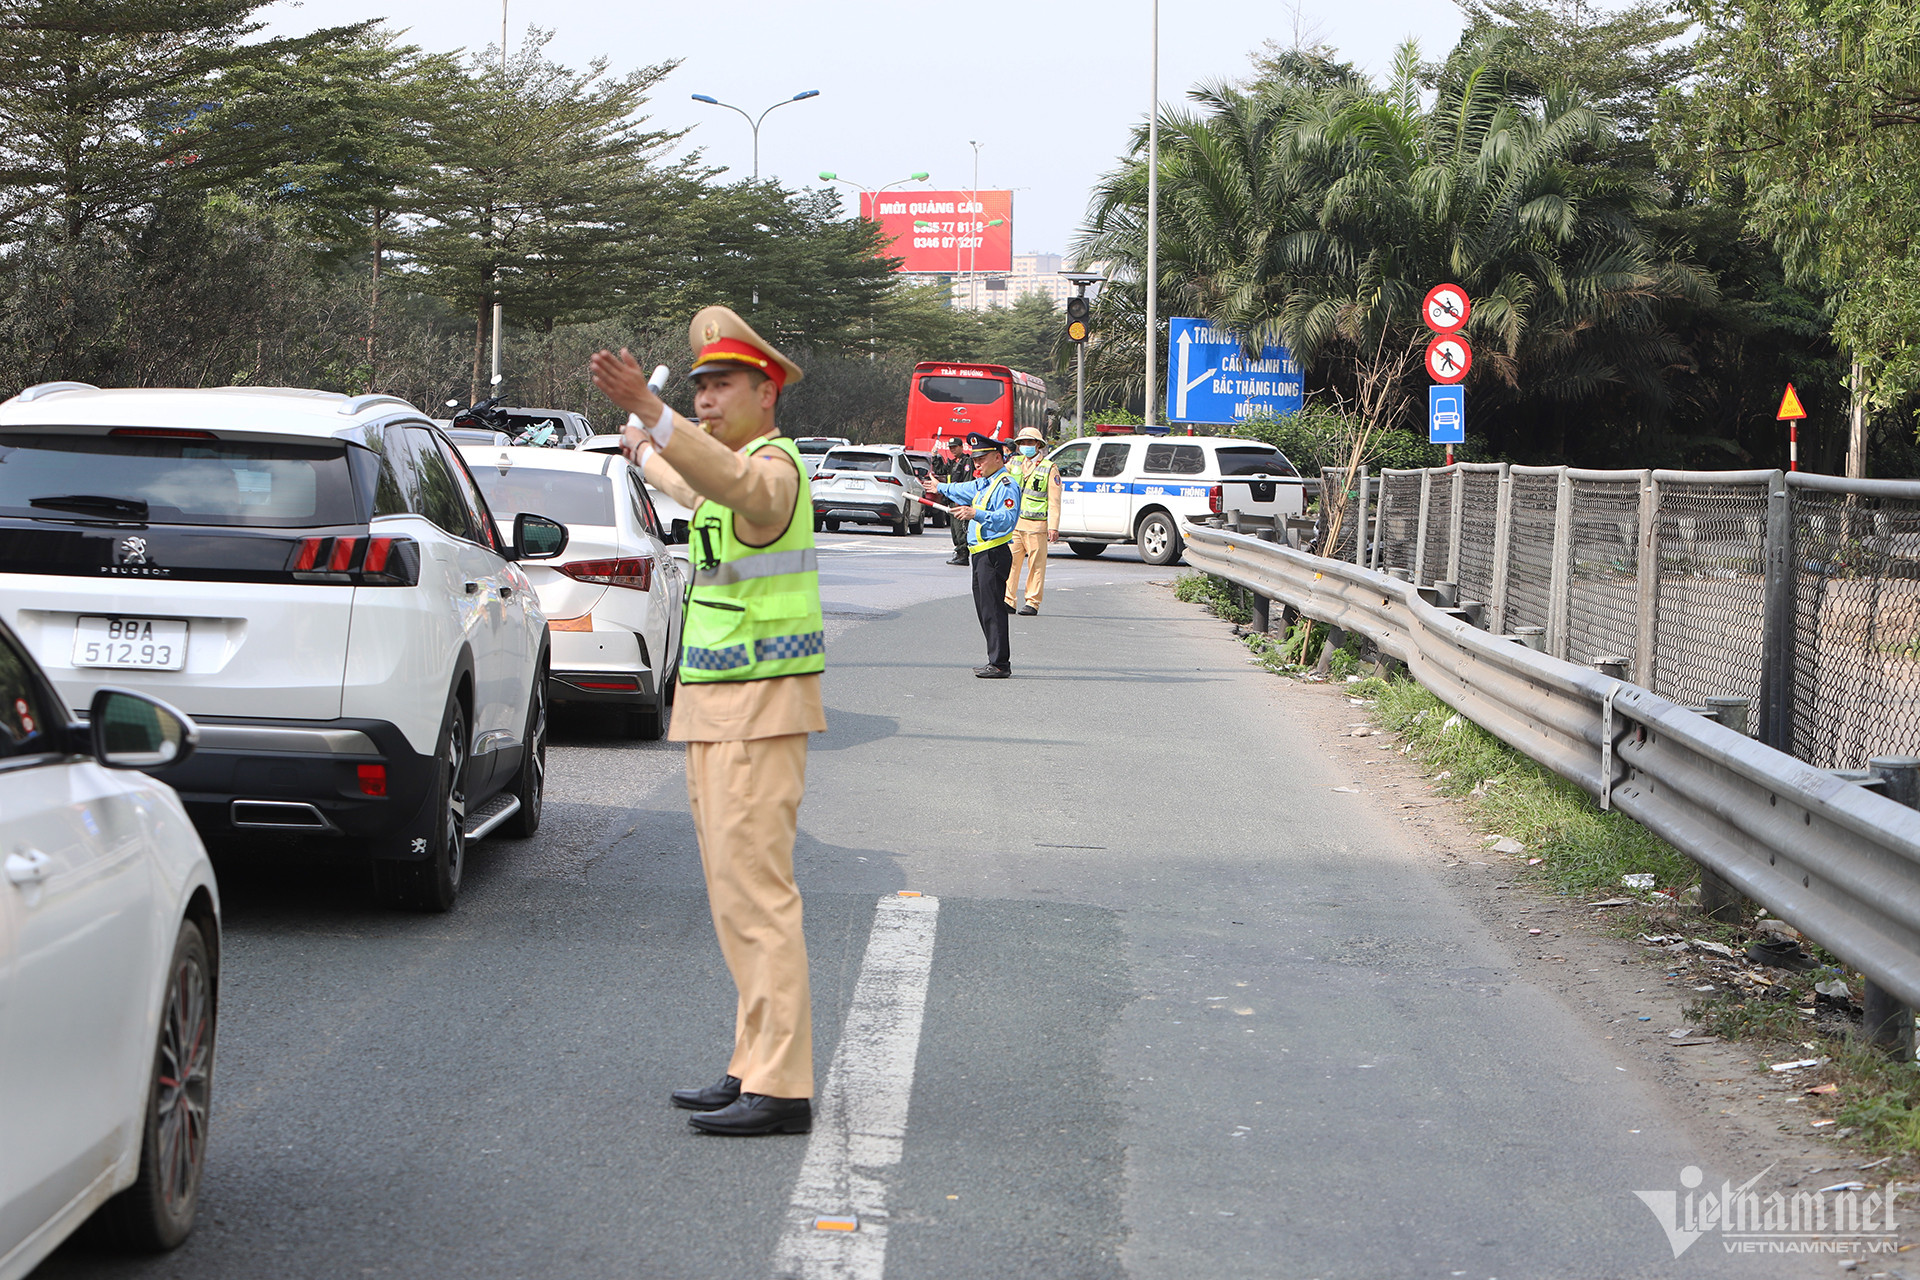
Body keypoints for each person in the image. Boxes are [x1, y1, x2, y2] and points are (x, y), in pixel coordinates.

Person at [588, 307, 822, 1137]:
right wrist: (648, 456)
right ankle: (752, 1065)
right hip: (722, 706)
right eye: (699, 390)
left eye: (722, 386)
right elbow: (702, 491)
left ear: (769, 392)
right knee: (735, 901)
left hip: (759, 708)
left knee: (758, 898)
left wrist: (655, 417)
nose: (708, 400)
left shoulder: (776, 468)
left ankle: (782, 1086)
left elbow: (736, 490)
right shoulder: (738, 470)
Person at [930, 432, 1020, 677]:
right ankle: (995, 659)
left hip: (993, 553)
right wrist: (939, 486)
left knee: (993, 610)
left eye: (982, 459)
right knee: (985, 609)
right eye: (975, 459)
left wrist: (975, 514)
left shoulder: (1006, 485)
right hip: (980, 554)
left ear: (998, 458)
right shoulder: (985, 483)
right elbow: (963, 489)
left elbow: (1008, 520)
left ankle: (1000, 663)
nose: (977, 464)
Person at [1002, 426, 1061, 616]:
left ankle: (1033, 602)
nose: (1025, 446)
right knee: (1010, 563)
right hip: (1015, 525)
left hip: (1037, 526)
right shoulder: (1015, 463)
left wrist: (1053, 527)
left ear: (1037, 444)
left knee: (1036, 566)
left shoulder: (1049, 468)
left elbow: (1054, 501)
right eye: (1022, 443)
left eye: (1029, 443)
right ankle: (1008, 600)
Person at [941, 436, 972, 565]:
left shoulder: (966, 462)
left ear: (961, 447)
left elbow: (967, 481)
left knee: (960, 529)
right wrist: (936, 457)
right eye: (951, 448)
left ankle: (963, 555)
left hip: (960, 500)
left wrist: (962, 498)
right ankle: (958, 553)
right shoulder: (954, 462)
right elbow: (941, 471)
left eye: (955, 447)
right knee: (954, 529)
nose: (953, 450)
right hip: (952, 500)